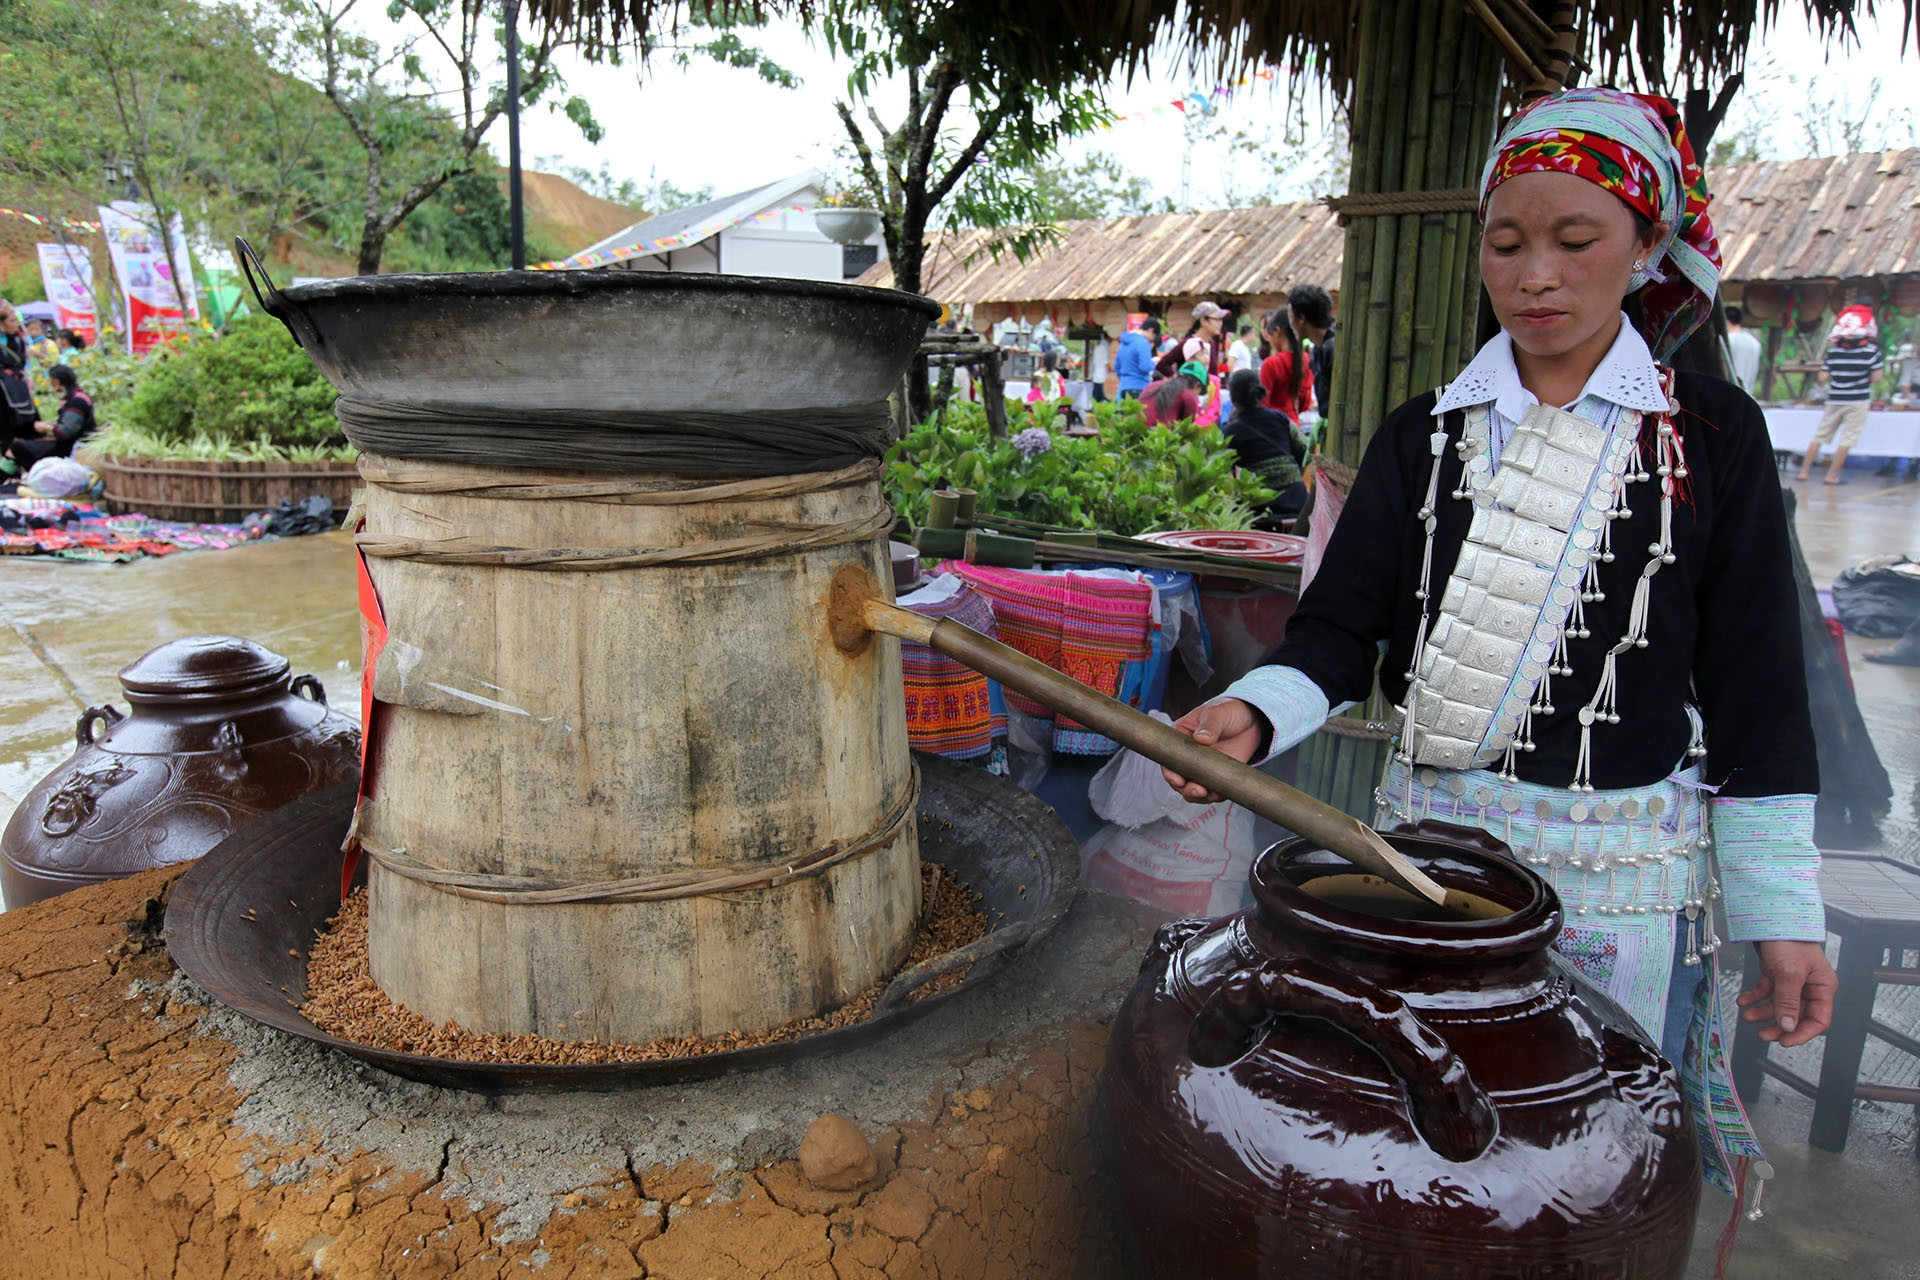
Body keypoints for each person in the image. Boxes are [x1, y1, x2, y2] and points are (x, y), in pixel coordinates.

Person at [1162, 87, 1835, 1197]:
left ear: (1648, 243)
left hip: (1622, 894)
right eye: (1508, 241)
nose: (1536, 276)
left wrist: (1783, 917)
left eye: (1578, 241)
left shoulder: (1711, 437)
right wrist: (1257, 708)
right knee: (1420, 1165)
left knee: (1586, 1180)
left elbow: (1759, 684)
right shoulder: (1423, 436)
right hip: (1424, 876)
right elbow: (1338, 634)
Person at [1796, 304, 1884, 485]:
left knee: (1820, 435)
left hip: (1835, 398)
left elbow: (1822, 377)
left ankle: (1804, 472)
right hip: (1858, 400)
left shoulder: (1834, 351)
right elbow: (1877, 377)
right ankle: (1831, 476)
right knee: (1847, 439)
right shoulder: (1871, 352)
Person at [1222, 368, 1306, 518]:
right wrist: (1296, 475)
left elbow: (1223, 472)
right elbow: (1304, 448)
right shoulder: (1281, 418)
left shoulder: (1229, 432)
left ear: (1232, 398)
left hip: (1263, 507)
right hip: (1298, 499)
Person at [2, 364, 94, 474]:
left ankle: (39, 474)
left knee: (17, 447)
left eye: (53, 383)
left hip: (70, 448)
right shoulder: (79, 397)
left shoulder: (76, 402)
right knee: (19, 447)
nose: (53, 387)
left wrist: (46, 429)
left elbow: (66, 432)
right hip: (70, 444)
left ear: (58, 382)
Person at [1258, 306, 1312, 423]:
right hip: (1294, 425)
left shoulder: (1271, 364)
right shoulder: (1306, 360)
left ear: (1277, 331)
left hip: (1272, 426)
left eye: (1270, 334)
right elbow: (1305, 403)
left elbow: (1262, 403)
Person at [1288, 284, 1336, 412]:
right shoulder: (1318, 349)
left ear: (1302, 318)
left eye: (1291, 317)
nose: (1291, 323)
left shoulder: (1334, 350)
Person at [1139, 361, 1206, 427]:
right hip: (1158, 433)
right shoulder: (1188, 397)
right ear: (1197, 385)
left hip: (1135, 429)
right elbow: (1187, 429)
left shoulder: (1154, 385)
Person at [1115, 319, 1159, 399]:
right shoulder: (1143, 343)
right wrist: (1153, 364)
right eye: (1154, 336)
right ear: (1151, 330)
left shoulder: (1123, 343)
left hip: (1123, 388)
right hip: (1139, 387)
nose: (1152, 339)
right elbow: (1144, 367)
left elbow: (1117, 367)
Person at [1724, 304, 1762, 393]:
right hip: (1748, 393)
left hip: (1729, 391)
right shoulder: (1754, 342)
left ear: (1727, 321)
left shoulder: (1728, 340)